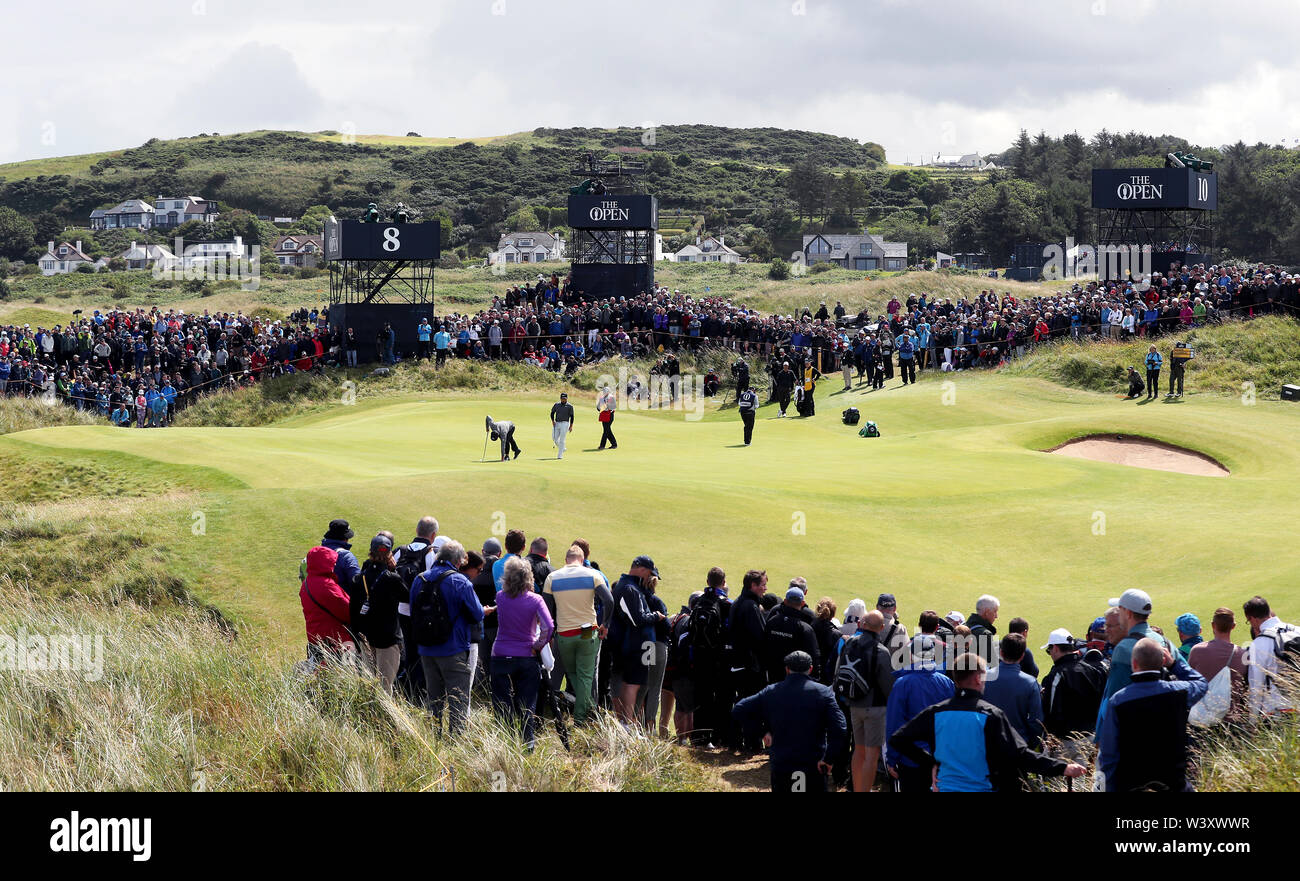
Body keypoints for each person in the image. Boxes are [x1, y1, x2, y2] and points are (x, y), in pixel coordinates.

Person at [888, 654, 1088, 792]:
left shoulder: (936, 712)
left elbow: (899, 739)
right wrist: (1062, 767)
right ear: (977, 678)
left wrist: (931, 763)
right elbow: (1020, 755)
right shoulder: (990, 714)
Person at [1099, 638, 1208, 792]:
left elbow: (1109, 755)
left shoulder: (1118, 701)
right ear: (1162, 661)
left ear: (1134, 664)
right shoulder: (1179, 691)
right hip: (1175, 783)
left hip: (1133, 785)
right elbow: (1201, 683)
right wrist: (1174, 665)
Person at [732, 651, 847, 793]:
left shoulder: (771, 691)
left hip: (782, 762)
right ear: (810, 669)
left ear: (787, 669)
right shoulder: (822, 692)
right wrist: (829, 759)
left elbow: (739, 709)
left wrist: (761, 732)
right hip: (813, 763)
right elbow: (840, 727)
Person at [410, 540, 484, 735]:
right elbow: (477, 614)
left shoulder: (420, 579)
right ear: (458, 562)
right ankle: (456, 742)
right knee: (458, 699)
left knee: (433, 699)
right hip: (453, 648)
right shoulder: (460, 581)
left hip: (426, 649)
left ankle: (434, 738)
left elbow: (413, 611)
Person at [541, 545, 614, 725]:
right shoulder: (593, 575)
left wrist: (548, 635)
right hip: (588, 631)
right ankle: (581, 718)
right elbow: (609, 600)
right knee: (585, 676)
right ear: (582, 560)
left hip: (564, 632)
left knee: (573, 674)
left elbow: (546, 610)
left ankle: (554, 714)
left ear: (566, 560)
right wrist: (606, 624)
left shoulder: (552, 577)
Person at [490, 556, 554, 748]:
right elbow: (549, 627)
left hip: (501, 654)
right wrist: (538, 645)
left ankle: (506, 743)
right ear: (529, 577)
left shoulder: (500, 597)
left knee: (502, 703)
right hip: (526, 655)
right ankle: (528, 744)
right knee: (526, 704)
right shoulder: (536, 600)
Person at [884, 633, 956, 792]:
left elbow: (894, 724)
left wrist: (892, 758)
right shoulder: (946, 682)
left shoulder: (902, 684)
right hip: (941, 758)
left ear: (911, 654)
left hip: (910, 759)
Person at [836, 610, 895, 792]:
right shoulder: (881, 651)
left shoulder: (849, 643)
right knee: (871, 754)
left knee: (858, 751)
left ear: (862, 624)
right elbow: (888, 685)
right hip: (875, 708)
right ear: (882, 628)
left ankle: (857, 788)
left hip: (854, 704)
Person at [609, 555, 666, 725]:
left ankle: (627, 723)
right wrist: (656, 616)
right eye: (649, 573)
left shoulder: (631, 586)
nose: (650, 577)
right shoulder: (629, 588)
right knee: (633, 683)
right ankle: (626, 723)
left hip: (638, 643)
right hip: (635, 643)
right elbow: (637, 619)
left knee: (637, 683)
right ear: (641, 569)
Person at [357, 533, 407, 693]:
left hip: (366, 637)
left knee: (368, 685)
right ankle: (384, 717)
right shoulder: (392, 578)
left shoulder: (360, 578)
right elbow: (407, 596)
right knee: (385, 687)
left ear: (370, 552)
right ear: (390, 554)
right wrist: (395, 570)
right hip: (388, 638)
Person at [1039, 628, 1107, 742]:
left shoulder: (1057, 675)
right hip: (1093, 737)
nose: (1050, 654)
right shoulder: (1092, 670)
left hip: (1067, 742)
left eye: (1049, 650)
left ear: (1055, 648)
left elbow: (1050, 712)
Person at [981, 634, 1045, 751]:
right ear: (1022, 656)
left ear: (1000, 652)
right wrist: (1028, 746)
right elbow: (1036, 721)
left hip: (987, 745)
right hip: (1018, 746)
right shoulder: (1030, 682)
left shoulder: (984, 678)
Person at [728, 570, 769, 749]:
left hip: (738, 661)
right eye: (762, 584)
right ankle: (752, 743)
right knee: (751, 703)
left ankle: (735, 741)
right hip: (749, 664)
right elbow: (759, 637)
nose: (765, 588)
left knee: (741, 702)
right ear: (753, 585)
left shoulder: (739, 602)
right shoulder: (750, 606)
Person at [1103, 589, 1161, 706]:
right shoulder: (1165, 642)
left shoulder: (1123, 649)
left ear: (1128, 613)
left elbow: (1113, 701)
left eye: (1120, 609)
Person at [1188, 608, 1249, 719]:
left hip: (1202, 716)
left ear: (1213, 625)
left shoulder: (1197, 650)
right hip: (1232, 719)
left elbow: (1189, 682)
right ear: (1233, 626)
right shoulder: (1243, 654)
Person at [1243, 595, 1295, 717]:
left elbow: (1256, 686)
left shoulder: (1259, 643)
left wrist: (1253, 720)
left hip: (1279, 710)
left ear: (1252, 618)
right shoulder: (1297, 630)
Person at [300, 545, 353, 664]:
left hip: (315, 639)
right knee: (345, 673)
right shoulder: (327, 585)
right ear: (322, 563)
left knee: (321, 675)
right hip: (336, 640)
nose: (334, 565)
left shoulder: (306, 583)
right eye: (331, 561)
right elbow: (347, 611)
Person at [765, 587, 820, 683]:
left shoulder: (771, 622)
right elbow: (813, 657)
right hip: (796, 681)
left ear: (785, 601)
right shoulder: (805, 629)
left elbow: (763, 646)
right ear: (803, 603)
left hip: (772, 678)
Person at [965, 595, 999, 664]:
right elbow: (992, 665)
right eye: (995, 611)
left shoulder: (963, 626)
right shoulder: (985, 634)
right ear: (987, 612)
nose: (996, 616)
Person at [550, 391, 574, 459]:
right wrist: (552, 421)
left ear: (567, 398)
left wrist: (571, 426)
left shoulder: (570, 406)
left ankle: (560, 455)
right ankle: (563, 448)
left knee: (562, 440)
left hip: (565, 423)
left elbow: (572, 416)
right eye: (562, 398)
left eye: (565, 398)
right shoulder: (556, 404)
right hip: (557, 423)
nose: (564, 399)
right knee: (554, 438)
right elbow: (552, 413)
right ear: (560, 398)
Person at [596, 385, 618, 450]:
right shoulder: (601, 398)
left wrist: (607, 406)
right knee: (607, 430)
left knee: (606, 431)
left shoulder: (611, 397)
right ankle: (614, 444)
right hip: (603, 415)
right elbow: (598, 407)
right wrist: (601, 407)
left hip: (609, 415)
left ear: (608, 392)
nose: (603, 392)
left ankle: (602, 446)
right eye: (603, 391)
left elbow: (613, 408)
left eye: (605, 391)